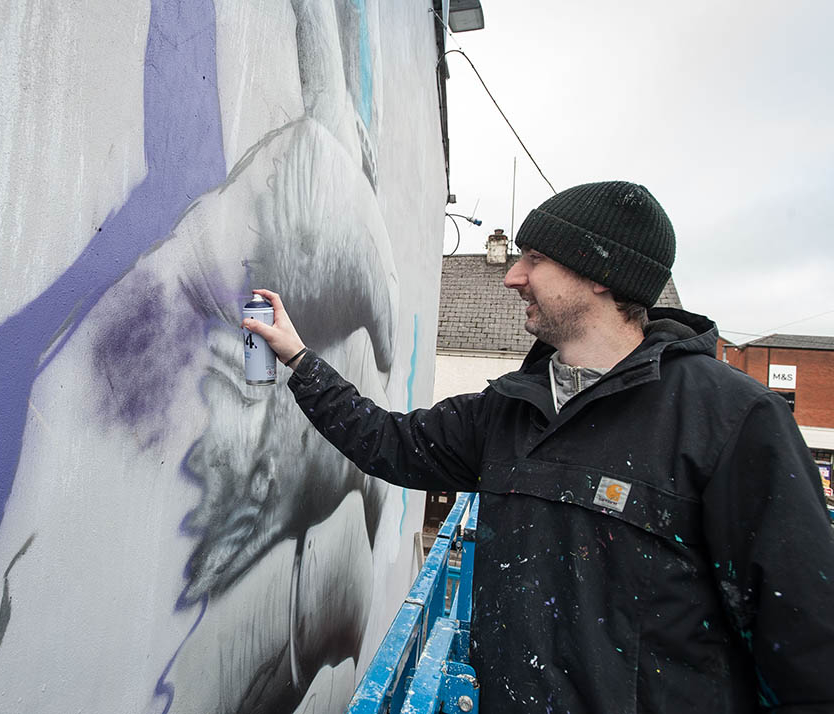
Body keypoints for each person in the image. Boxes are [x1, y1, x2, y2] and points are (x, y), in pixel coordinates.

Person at [243, 180, 834, 713]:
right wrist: (299, 359)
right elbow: (391, 444)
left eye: (536, 259)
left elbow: (807, 648)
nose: (511, 276)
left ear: (601, 273)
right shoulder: (514, 407)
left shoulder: (731, 418)